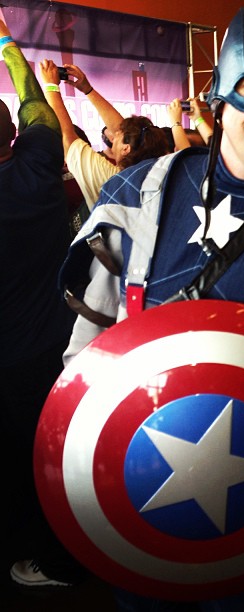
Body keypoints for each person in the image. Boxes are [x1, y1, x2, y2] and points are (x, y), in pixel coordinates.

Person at [50, 3, 244, 610]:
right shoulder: (132, 196)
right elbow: (85, 354)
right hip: (127, 471)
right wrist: (80, 447)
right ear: (219, 96)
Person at [0, 12, 81, 589]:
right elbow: (33, 100)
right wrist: (6, 43)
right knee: (54, 455)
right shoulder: (38, 164)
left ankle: (51, 561)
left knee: (17, 464)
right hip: (58, 343)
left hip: (7, 358)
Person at [39, 60, 169, 210]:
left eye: (118, 135)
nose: (114, 134)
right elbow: (124, 130)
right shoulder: (153, 172)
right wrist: (87, 89)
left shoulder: (112, 177)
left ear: (126, 149)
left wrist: (50, 86)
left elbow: (68, 136)